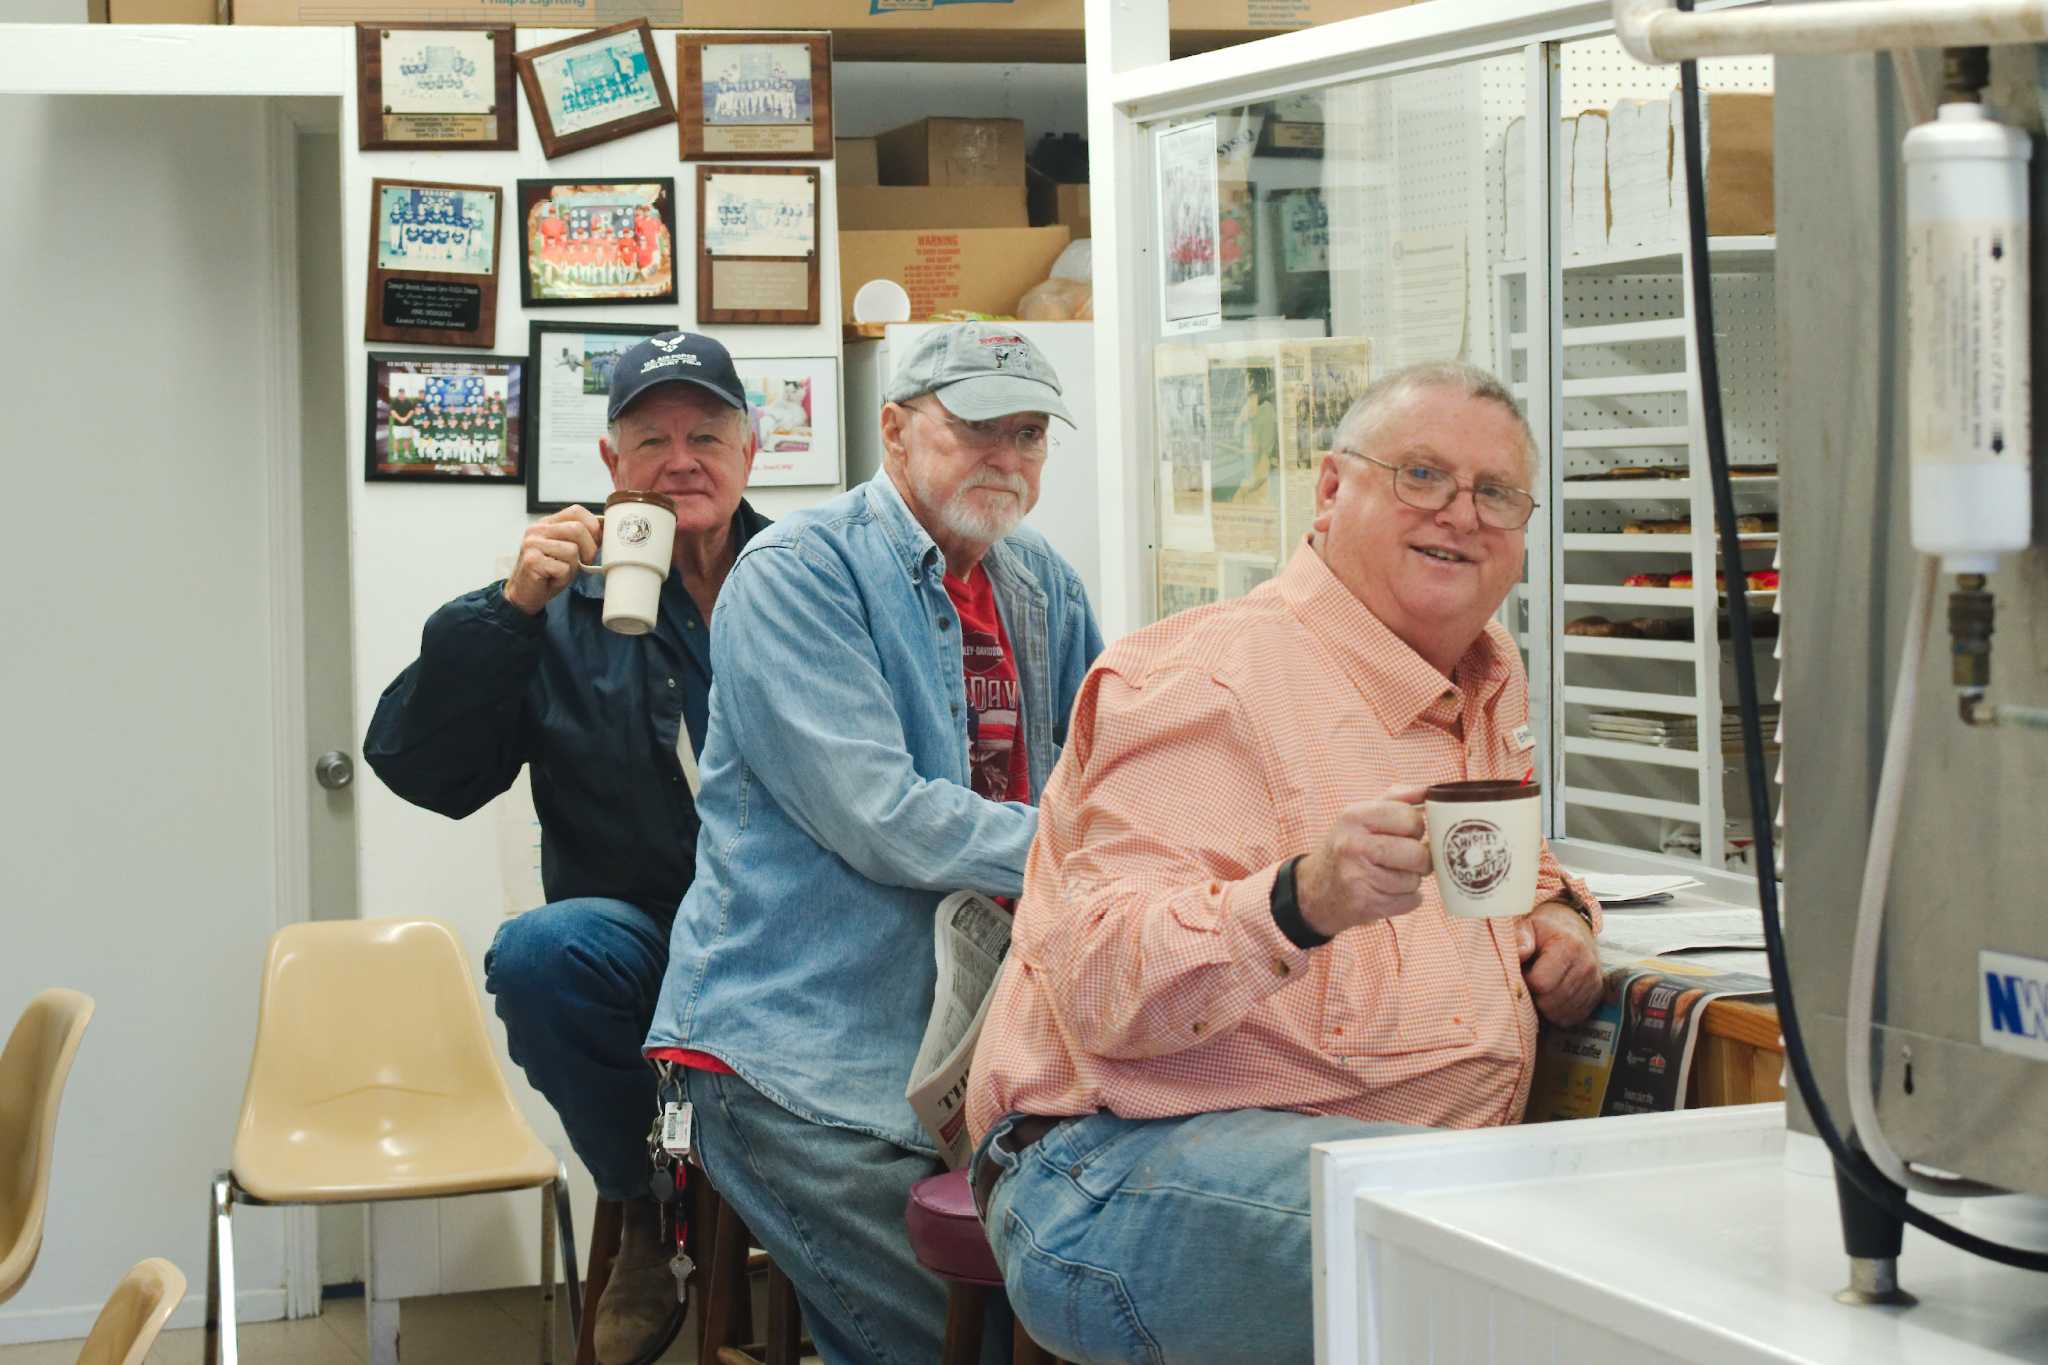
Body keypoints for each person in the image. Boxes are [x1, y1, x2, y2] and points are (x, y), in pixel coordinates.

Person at [966, 361, 1605, 1364]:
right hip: (1119, 1169)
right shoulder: (1205, 680)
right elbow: (1098, 977)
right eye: (1421, 475)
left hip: (1407, 1163)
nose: (1460, 513)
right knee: (1550, 1283)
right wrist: (1299, 900)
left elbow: (1508, 865)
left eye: (1495, 493)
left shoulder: (1486, 673)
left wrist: (1559, 916)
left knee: (1623, 1245)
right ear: (1328, 489)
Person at [642, 323, 1104, 1364]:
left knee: (1107, 1287)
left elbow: (1106, 774)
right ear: (893, 430)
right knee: (961, 1343)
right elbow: (881, 815)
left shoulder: (1043, 584)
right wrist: (1093, 855)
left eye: (1028, 434)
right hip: (800, 1049)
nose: (1006, 457)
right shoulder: (795, 572)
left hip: (988, 1043)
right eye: (977, 428)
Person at [363, 331, 769, 1365]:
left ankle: (799, 1247)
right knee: (541, 954)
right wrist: (508, 611)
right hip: (632, 939)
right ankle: (642, 1207)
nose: (681, 459)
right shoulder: (555, 605)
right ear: (610, 467)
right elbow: (426, 772)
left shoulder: (805, 578)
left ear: (749, 452)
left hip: (789, 938)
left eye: (706, 433)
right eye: (651, 439)